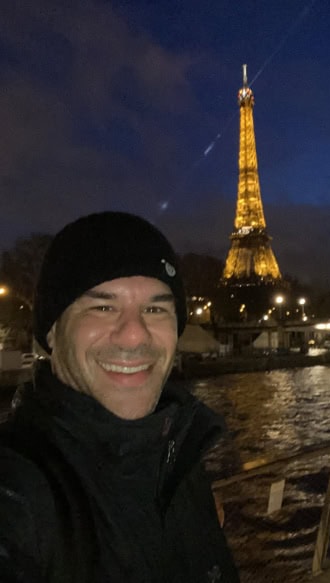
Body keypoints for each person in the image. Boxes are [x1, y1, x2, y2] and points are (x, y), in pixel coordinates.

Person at [0, 211, 240, 583]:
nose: (133, 335)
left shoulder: (179, 458)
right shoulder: (18, 488)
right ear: (51, 333)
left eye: (155, 308)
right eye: (103, 307)